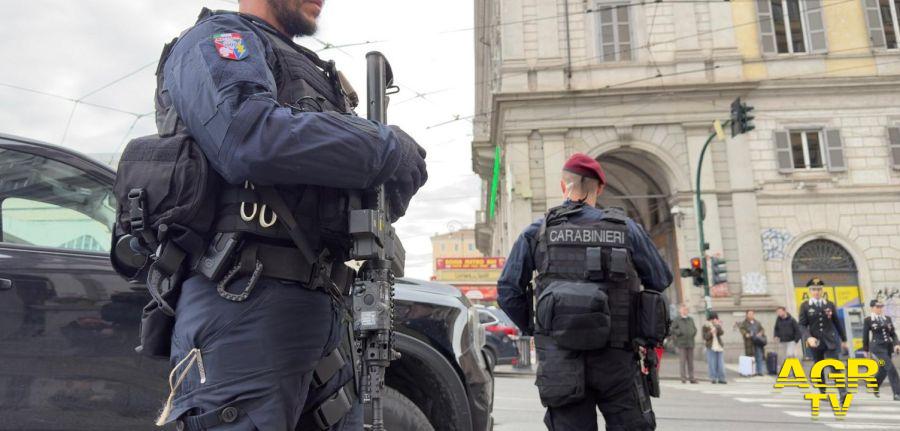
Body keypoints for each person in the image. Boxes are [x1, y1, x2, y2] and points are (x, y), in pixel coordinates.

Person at [151, 1, 428, 429]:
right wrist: (385, 148)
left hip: (322, 308)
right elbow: (247, 135)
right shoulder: (219, 40)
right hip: (243, 300)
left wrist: (393, 175)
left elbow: (345, 183)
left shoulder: (316, 72)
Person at [497, 153, 673, 431]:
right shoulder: (627, 229)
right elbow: (660, 279)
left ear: (563, 186)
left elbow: (507, 291)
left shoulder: (538, 231)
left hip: (561, 360)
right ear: (599, 188)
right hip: (617, 359)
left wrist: (540, 328)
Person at [799, 278, 847, 399]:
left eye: (819, 289)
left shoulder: (829, 304)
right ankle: (822, 390)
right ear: (810, 291)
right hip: (815, 341)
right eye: (814, 289)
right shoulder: (805, 306)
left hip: (831, 340)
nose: (817, 292)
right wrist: (808, 337)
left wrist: (844, 339)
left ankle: (843, 392)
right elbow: (802, 325)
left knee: (834, 366)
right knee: (818, 366)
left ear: (822, 290)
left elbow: (837, 322)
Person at [862, 299, 900, 400]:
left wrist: (896, 344)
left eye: (881, 307)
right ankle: (897, 393)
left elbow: (893, 333)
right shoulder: (868, 320)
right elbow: (865, 335)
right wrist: (865, 350)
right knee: (891, 368)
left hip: (888, 347)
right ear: (872, 308)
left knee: (883, 368)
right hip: (877, 348)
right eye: (877, 307)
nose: (879, 309)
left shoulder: (887, 318)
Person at [670, 305, 698, 384]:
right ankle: (683, 378)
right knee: (682, 362)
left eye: (686, 309)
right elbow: (672, 329)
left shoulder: (690, 319)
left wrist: (693, 333)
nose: (685, 311)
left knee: (690, 362)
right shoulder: (677, 319)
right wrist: (679, 332)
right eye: (684, 309)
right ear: (680, 311)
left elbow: (694, 329)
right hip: (682, 343)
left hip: (690, 343)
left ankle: (692, 378)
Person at [738, 310, 767, 376]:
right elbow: (742, 330)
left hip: (758, 341)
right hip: (749, 343)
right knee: (750, 357)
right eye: (749, 314)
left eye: (752, 314)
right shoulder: (744, 323)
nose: (751, 315)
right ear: (747, 315)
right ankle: (751, 371)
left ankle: (759, 371)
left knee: (759, 356)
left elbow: (762, 329)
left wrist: (760, 333)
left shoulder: (757, 322)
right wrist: (746, 334)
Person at [702, 312, 727, 384]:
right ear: (710, 319)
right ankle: (713, 378)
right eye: (713, 318)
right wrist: (711, 332)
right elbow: (705, 337)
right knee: (712, 363)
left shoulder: (717, 325)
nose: (714, 320)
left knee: (720, 363)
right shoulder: (705, 326)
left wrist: (717, 326)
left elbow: (721, 333)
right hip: (710, 346)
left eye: (716, 318)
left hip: (719, 346)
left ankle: (721, 378)